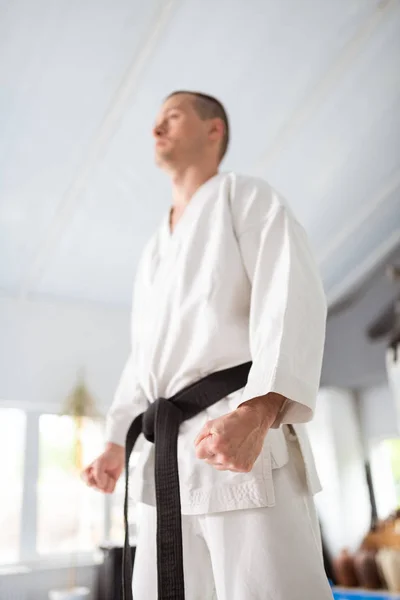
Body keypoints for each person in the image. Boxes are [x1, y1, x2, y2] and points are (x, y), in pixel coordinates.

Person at [82, 91, 333, 600]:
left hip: (238, 433)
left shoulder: (244, 196)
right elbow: (146, 354)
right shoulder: (155, 248)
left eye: (172, 117)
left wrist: (260, 410)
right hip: (167, 457)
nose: (157, 129)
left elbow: (292, 297)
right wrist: (115, 436)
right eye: (155, 121)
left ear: (213, 129)